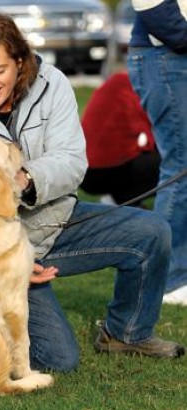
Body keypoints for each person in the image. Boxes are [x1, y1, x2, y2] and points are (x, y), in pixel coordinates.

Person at [0, 13, 185, 372]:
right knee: (59, 360)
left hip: (57, 220)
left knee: (154, 231)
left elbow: (73, 162)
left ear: (20, 61)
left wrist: (27, 179)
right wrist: (8, 263)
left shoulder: (52, 84)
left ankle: (126, 334)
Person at [127, 0, 187, 305]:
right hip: (165, 55)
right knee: (181, 169)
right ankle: (171, 280)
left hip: (171, 54)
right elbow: (152, 8)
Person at [80, 71, 160, 207]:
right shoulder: (136, 88)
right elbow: (146, 137)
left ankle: (126, 204)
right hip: (100, 171)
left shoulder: (120, 82)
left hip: (84, 169)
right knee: (174, 165)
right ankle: (121, 202)